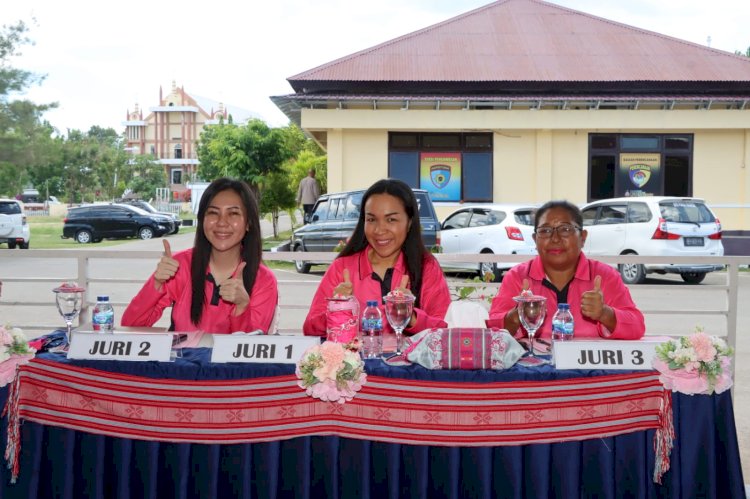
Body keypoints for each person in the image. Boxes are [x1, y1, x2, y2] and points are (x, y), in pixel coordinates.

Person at [122, 177, 278, 334]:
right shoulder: (180, 266)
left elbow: (251, 351)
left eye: (233, 213)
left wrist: (242, 307)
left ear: (249, 223)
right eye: (213, 213)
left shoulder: (264, 280)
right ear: (202, 219)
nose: (222, 222)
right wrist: (156, 283)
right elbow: (131, 325)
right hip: (183, 358)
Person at [303, 178, 451, 343]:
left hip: (410, 368)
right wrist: (338, 309)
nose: (380, 230)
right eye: (371, 219)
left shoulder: (426, 267)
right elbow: (309, 329)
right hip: (356, 368)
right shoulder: (342, 268)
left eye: (391, 219)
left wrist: (411, 317)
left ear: (409, 222)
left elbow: (445, 334)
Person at [488, 200, 645, 340]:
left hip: (589, 370)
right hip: (534, 370)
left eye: (565, 229)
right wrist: (517, 316)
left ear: (582, 238)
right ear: (535, 240)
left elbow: (637, 326)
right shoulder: (517, 277)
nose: (555, 239)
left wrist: (604, 313)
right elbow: (492, 330)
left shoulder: (604, 276)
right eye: (545, 231)